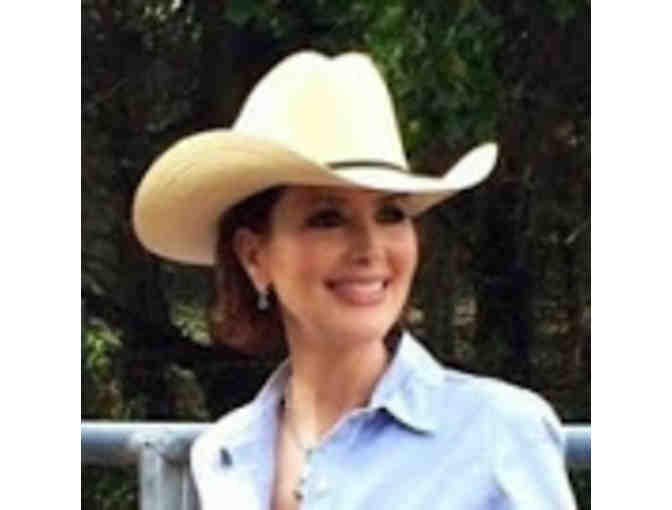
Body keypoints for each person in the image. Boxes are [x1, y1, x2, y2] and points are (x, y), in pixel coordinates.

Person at [132, 51, 577, 510]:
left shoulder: (499, 434)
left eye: (391, 213)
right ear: (254, 256)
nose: (370, 248)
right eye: (328, 218)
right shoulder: (224, 456)